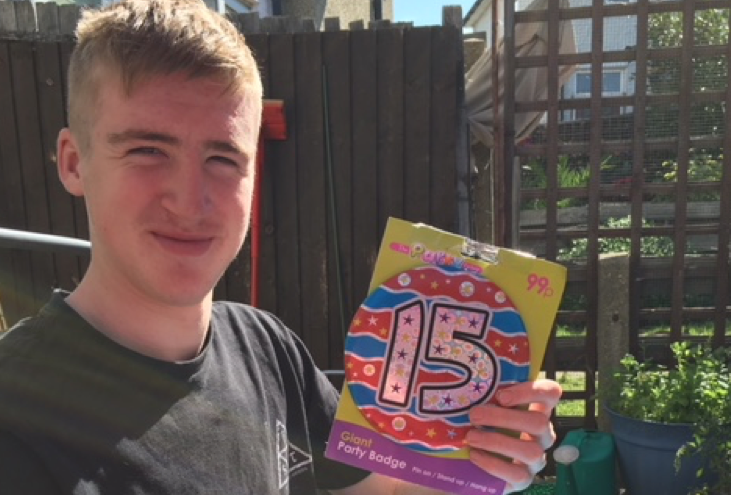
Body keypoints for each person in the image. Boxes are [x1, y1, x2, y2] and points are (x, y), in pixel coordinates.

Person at [0, 1, 561, 493]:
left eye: (223, 158)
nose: (191, 201)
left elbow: (385, 493)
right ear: (74, 163)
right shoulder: (17, 422)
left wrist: (480, 463)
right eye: (148, 150)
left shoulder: (267, 349)